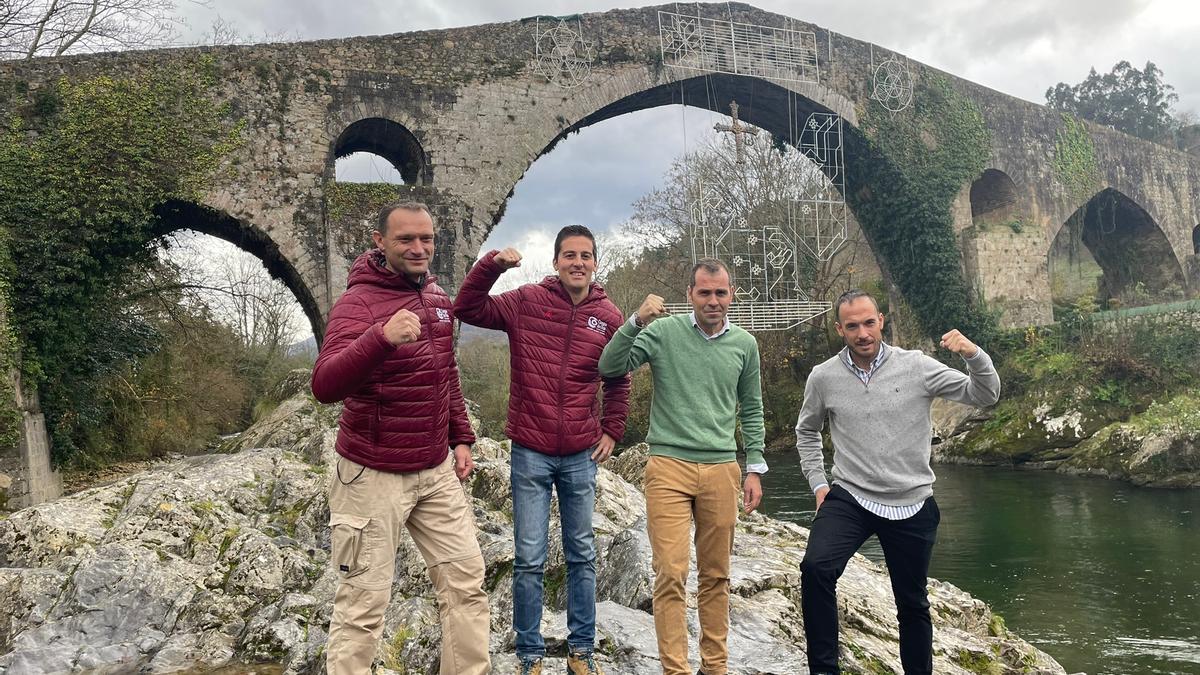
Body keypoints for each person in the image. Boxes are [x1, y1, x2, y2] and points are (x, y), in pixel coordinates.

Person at [311, 201, 490, 675]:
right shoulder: (358, 303)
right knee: (364, 604)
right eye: (406, 239)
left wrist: (462, 437)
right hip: (372, 474)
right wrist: (379, 338)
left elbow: (444, 371)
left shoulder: (435, 296)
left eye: (426, 239)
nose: (418, 248)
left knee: (466, 584)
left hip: (434, 470)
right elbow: (324, 385)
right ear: (380, 242)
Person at [453, 225, 631, 675]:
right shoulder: (528, 300)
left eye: (585, 256)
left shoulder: (608, 315)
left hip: (580, 451)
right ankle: (529, 653)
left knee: (582, 554)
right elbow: (467, 307)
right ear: (555, 262)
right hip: (529, 449)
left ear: (595, 262)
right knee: (529, 556)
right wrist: (492, 266)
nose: (577, 262)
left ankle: (581, 650)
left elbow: (618, 377)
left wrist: (612, 429)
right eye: (569, 255)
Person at [795, 290, 1001, 675]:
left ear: (881, 321)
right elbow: (806, 431)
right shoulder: (823, 377)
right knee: (816, 569)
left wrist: (973, 354)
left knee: (912, 603)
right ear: (840, 328)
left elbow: (985, 394)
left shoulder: (917, 366)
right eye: (852, 326)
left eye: (869, 322)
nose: (862, 333)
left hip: (912, 500)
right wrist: (819, 483)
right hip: (851, 496)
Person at [598, 258, 766, 675]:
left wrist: (755, 466)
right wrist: (636, 319)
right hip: (668, 466)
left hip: (722, 468)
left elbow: (752, 408)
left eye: (721, 293)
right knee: (670, 573)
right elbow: (610, 367)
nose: (713, 301)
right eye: (704, 292)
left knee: (716, 575)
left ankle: (715, 667)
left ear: (731, 296)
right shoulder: (662, 332)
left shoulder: (745, 344)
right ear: (689, 294)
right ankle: (675, 669)